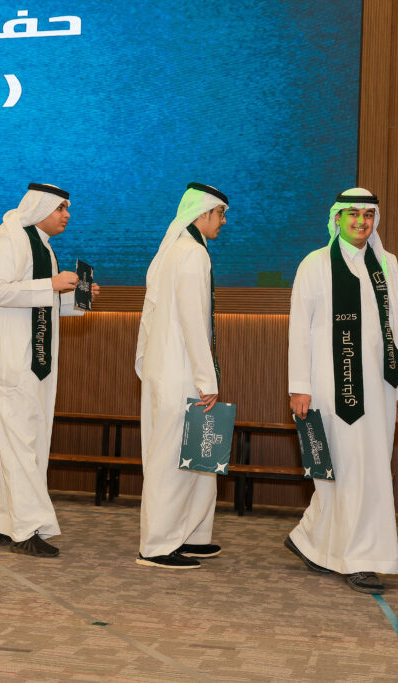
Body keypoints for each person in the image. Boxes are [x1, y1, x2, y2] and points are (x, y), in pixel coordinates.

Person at [285, 188, 398, 594]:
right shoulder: (315, 263)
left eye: (368, 215)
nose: (361, 222)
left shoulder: (387, 264)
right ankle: (360, 559)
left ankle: (311, 539)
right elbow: (300, 329)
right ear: (337, 218)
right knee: (343, 469)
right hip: (329, 387)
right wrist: (299, 387)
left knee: (368, 470)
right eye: (352, 214)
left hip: (380, 389)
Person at [0, 183, 97, 557]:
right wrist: (51, 284)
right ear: (40, 208)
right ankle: (26, 528)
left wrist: (76, 299)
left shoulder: (44, 247)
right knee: (21, 443)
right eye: (61, 208)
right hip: (13, 361)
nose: (67, 215)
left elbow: (40, 303)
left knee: (12, 441)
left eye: (67, 208)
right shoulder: (10, 240)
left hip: (36, 361)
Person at [134, 182, 227, 569]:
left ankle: (191, 535)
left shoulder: (178, 249)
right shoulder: (191, 253)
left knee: (199, 459)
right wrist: (207, 380)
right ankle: (156, 545)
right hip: (182, 372)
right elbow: (193, 320)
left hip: (172, 368)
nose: (223, 221)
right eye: (220, 214)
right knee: (174, 460)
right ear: (203, 213)